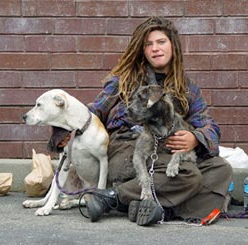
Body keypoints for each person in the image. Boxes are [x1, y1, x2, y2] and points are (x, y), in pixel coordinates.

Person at [84, 16, 232, 226]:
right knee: (188, 175)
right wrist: (65, 128)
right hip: (128, 150)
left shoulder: (187, 88)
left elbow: (209, 126)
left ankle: (148, 207)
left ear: (173, 46)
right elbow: (94, 110)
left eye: (161, 42)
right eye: (148, 44)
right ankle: (111, 196)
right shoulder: (125, 79)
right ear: (142, 50)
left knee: (220, 169)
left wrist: (195, 138)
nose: (155, 48)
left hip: (165, 151)